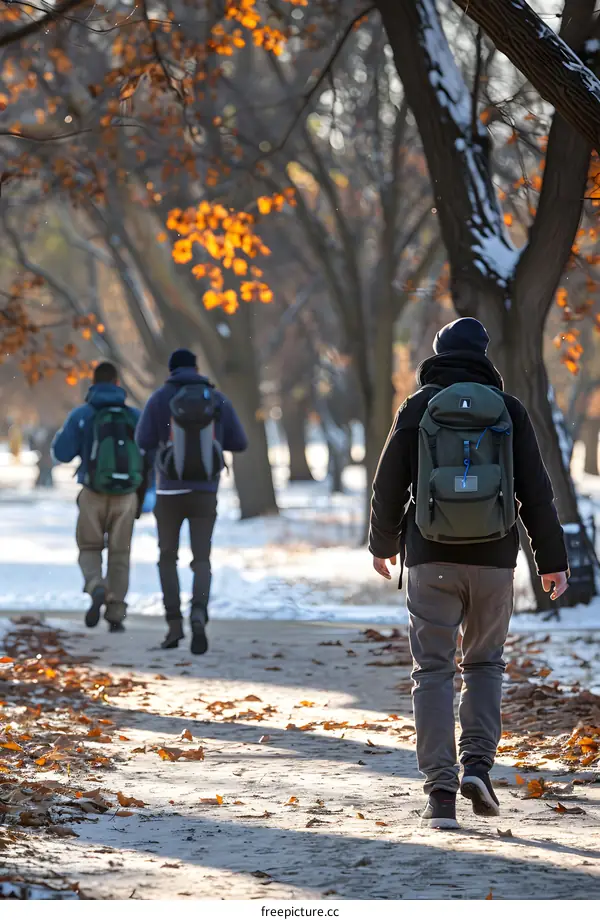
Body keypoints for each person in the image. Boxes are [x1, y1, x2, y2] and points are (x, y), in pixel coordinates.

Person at [369, 317, 569, 830]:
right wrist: (552, 561)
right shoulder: (508, 410)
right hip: (495, 559)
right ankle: (476, 764)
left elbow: (389, 483)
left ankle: (441, 790)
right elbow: (535, 491)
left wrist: (383, 543)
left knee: (432, 670)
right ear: (484, 355)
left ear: (437, 354)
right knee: (484, 664)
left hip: (430, 556)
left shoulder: (417, 408)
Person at [136, 348, 248, 655]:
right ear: (195, 367)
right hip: (204, 493)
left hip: (169, 492)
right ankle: (198, 613)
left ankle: (174, 624)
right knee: (201, 559)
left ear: (171, 369)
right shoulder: (216, 399)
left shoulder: (159, 399)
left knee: (167, 557)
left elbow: (142, 441)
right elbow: (240, 442)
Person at [52, 362, 144, 632]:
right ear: (117, 383)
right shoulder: (133, 416)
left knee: (89, 547)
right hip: (126, 495)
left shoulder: (83, 413)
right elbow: (147, 450)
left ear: (93, 383)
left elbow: (62, 453)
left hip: (92, 492)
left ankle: (96, 586)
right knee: (120, 553)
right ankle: (115, 613)